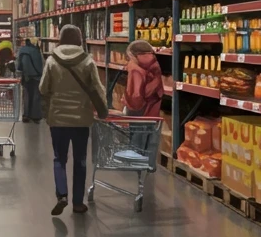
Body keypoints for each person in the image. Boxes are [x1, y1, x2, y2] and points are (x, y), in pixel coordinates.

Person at [39, 24, 108, 216]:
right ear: (79, 40)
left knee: (59, 158)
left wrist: (47, 113)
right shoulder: (87, 61)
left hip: (58, 119)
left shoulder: (52, 61)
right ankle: (78, 202)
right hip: (81, 119)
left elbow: (43, 89)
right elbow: (97, 88)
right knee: (80, 160)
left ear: (60, 40)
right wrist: (104, 111)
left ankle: (62, 195)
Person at [123, 40, 164, 117]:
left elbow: (135, 99)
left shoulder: (135, 68)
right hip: (152, 113)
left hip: (138, 116)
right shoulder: (154, 63)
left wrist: (126, 100)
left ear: (131, 55)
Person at [16, 37, 44, 122]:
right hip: (36, 76)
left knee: (26, 95)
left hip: (26, 76)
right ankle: (35, 115)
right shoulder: (36, 51)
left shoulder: (22, 50)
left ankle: (26, 114)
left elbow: (19, 64)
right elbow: (40, 64)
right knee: (36, 95)